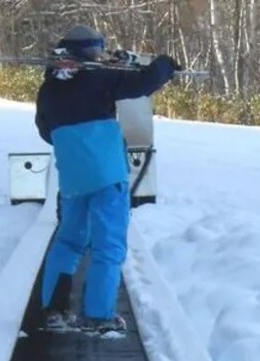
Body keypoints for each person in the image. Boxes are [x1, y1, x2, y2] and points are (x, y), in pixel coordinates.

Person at [35, 25, 179, 333]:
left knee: (69, 241)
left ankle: (55, 310)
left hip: (72, 179)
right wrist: (165, 64)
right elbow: (144, 82)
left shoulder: (48, 88)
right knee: (108, 245)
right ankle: (98, 315)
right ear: (90, 50)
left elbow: (46, 131)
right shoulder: (101, 77)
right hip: (108, 176)